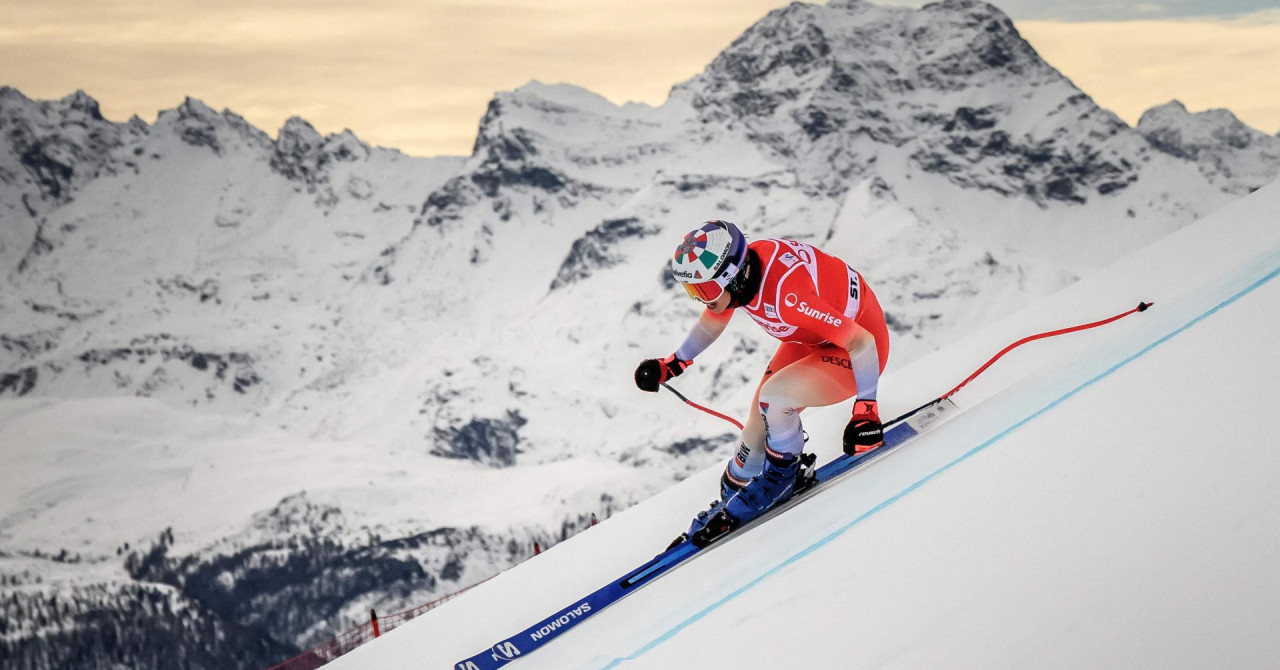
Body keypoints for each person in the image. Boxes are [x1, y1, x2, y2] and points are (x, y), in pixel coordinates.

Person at [635, 220, 890, 535]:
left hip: (858, 351)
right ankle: (742, 493)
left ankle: (783, 478)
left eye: (706, 289)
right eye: (694, 290)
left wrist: (866, 411)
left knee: (776, 398)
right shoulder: (742, 277)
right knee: (750, 444)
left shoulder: (789, 297)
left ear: (732, 276)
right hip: (814, 340)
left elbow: (861, 341)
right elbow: (715, 314)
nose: (702, 298)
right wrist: (674, 363)